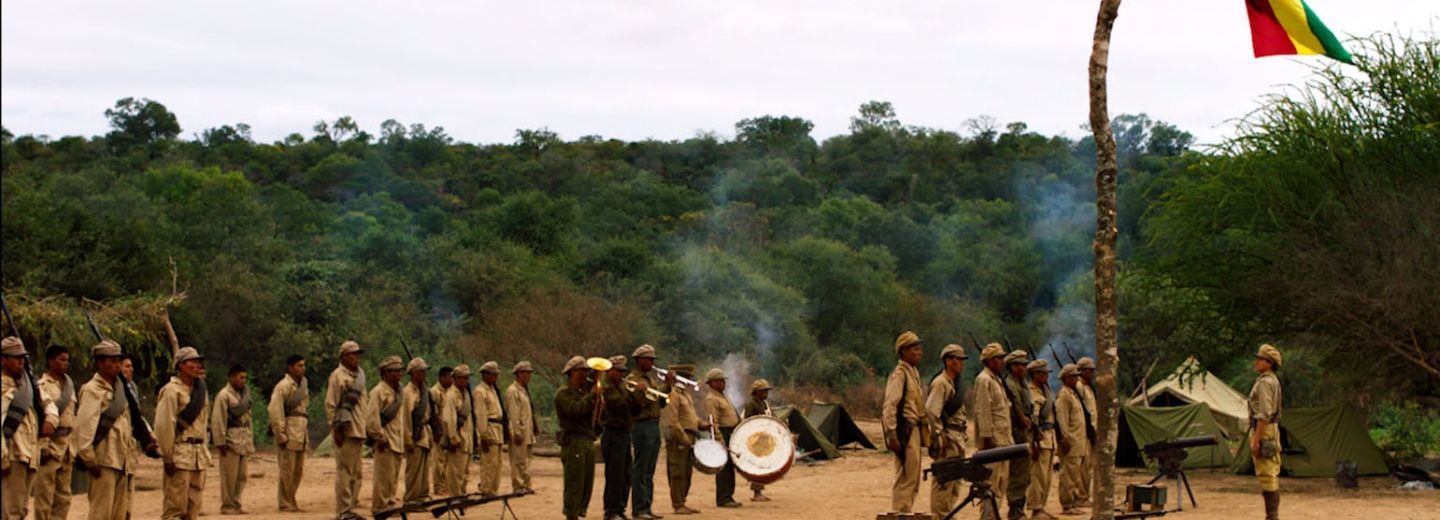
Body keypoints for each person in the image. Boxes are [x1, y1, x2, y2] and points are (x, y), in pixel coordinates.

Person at [74, 340, 138, 520]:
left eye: (118, 360)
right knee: (101, 513)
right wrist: (89, 459)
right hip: (103, 459)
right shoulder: (93, 390)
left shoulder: (120, 389)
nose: (116, 365)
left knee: (120, 513)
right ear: (99, 363)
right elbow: (84, 426)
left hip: (121, 457)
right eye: (111, 361)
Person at [156, 346, 211, 520]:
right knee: (175, 507)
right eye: (193, 362)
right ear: (181, 366)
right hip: (180, 453)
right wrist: (168, 456)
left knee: (194, 507)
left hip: (198, 455)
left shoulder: (200, 391)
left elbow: (204, 424)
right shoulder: (171, 391)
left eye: (198, 362)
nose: (197, 366)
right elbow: (164, 426)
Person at [882, 331, 927, 514]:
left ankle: (905, 512)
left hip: (914, 430)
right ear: (904, 351)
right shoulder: (900, 374)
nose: (920, 352)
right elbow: (890, 406)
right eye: (915, 349)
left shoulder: (913, 373)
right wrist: (891, 434)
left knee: (913, 477)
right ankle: (900, 513)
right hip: (905, 431)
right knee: (905, 478)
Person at [324, 340, 369, 518]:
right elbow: (330, 404)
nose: (356, 357)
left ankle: (350, 508)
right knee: (344, 472)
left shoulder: (359, 376)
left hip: (358, 428)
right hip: (346, 429)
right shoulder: (337, 376)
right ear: (343, 357)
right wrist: (336, 429)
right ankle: (342, 511)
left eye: (358, 354)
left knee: (355, 473)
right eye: (352, 354)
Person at [925, 343, 968, 518]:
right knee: (944, 481)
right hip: (948, 437)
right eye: (958, 359)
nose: (961, 363)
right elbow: (931, 410)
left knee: (955, 481)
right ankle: (940, 516)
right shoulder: (940, 383)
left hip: (958, 437)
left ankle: (948, 514)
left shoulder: (955, 383)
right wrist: (938, 434)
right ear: (948, 361)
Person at [34, 344, 77, 520]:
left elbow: (73, 419)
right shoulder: (40, 386)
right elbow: (38, 420)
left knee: (64, 498)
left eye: (67, 360)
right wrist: (43, 446)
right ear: (51, 361)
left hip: (66, 448)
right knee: (44, 499)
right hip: (49, 446)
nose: (65, 363)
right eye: (61, 359)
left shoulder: (69, 386)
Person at [555, 356, 600, 520]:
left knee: (586, 484)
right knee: (574, 484)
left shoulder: (583, 392)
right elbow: (575, 411)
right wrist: (591, 396)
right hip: (574, 442)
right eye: (583, 372)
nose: (586, 375)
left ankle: (578, 512)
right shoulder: (563, 394)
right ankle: (571, 515)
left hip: (586, 440)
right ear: (573, 373)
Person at [973, 343, 1013, 520]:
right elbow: (983, 410)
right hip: (993, 441)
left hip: (1004, 440)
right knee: (990, 484)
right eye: (997, 358)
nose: (1001, 362)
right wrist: (987, 437)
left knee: (1002, 483)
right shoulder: (984, 380)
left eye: (1002, 358)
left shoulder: (997, 380)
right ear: (989, 361)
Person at [1, 336, 40, 520]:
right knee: (10, 513)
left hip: (27, 455)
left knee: (21, 511)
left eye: (22, 358)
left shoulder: (26, 386)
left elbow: (48, 407)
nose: (20, 361)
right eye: (15, 357)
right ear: (3, 360)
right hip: (10, 457)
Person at [602, 356, 644, 520]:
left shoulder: (622, 387)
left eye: (622, 371)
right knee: (614, 474)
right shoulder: (607, 387)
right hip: (613, 433)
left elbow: (633, 411)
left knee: (626, 474)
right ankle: (611, 511)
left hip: (625, 433)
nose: (621, 374)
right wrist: (633, 391)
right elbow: (618, 405)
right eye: (618, 371)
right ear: (610, 371)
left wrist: (639, 396)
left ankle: (620, 508)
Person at [626, 344, 666, 520]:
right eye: (648, 359)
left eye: (652, 360)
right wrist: (640, 392)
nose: (651, 363)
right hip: (641, 426)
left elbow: (660, 402)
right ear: (639, 360)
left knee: (649, 469)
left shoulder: (650, 380)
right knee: (641, 468)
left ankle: (647, 506)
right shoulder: (633, 380)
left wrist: (668, 386)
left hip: (653, 425)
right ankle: (639, 508)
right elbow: (635, 405)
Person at [210, 363, 255, 515]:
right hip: (230, 440)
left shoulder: (244, 396)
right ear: (232, 377)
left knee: (241, 476)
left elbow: (249, 420)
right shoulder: (223, 395)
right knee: (229, 476)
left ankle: (237, 502)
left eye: (245, 378)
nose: (243, 381)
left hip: (243, 439)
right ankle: (227, 505)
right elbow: (218, 419)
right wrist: (220, 441)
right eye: (241, 377)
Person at [267, 354, 308, 512]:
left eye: (303, 365)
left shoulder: (303, 385)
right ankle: (284, 502)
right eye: (299, 366)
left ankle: (291, 498)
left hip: (301, 432)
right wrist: (280, 434)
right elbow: (275, 410)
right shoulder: (283, 386)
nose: (302, 369)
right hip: (289, 431)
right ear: (290, 367)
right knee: (287, 470)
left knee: (298, 470)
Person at [660, 364, 701, 515]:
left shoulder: (686, 395)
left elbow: (691, 417)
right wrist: (684, 439)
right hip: (679, 439)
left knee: (686, 472)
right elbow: (673, 421)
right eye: (688, 378)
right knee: (677, 471)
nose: (690, 382)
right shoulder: (674, 394)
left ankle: (682, 501)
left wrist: (702, 424)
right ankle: (678, 504)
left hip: (689, 436)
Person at [1249, 344, 1284, 520]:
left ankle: (1272, 516)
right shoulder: (1273, 381)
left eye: (1260, 359)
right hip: (1271, 429)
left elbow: (1264, 413)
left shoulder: (1265, 383)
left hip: (1264, 429)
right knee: (1270, 473)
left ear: (1269, 363)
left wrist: (1256, 439)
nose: (1256, 362)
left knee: (1267, 474)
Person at [368, 355, 406, 512]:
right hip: (385, 441)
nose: (397, 374)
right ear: (385, 373)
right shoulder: (378, 392)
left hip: (397, 440)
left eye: (399, 371)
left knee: (392, 477)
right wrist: (380, 437)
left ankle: (389, 503)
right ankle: (380, 507)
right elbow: (372, 419)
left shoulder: (398, 392)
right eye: (393, 371)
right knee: (383, 478)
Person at [703, 367, 743, 509]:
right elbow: (714, 422)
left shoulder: (722, 396)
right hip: (723, 433)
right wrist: (720, 441)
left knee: (730, 467)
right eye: (720, 381)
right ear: (711, 383)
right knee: (724, 468)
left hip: (731, 432)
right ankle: (723, 498)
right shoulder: (711, 399)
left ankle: (729, 495)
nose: (723, 384)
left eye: (723, 381)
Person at [1002, 350, 1034, 520]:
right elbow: (1014, 409)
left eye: (1024, 365)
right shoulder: (1010, 384)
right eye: (1020, 365)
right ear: (1013, 367)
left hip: (1025, 432)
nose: (1024, 368)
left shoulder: (1022, 383)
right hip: (1016, 432)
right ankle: (1015, 509)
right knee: (1018, 474)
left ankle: (1019, 508)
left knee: (1025, 474)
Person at [1026, 359, 1058, 520]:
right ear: (1035, 374)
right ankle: (1035, 508)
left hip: (1049, 438)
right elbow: (1033, 421)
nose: (1046, 376)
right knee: (1037, 477)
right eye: (1043, 373)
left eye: (1047, 373)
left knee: (1046, 477)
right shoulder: (1031, 392)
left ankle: (1042, 506)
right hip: (1039, 439)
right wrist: (1034, 443)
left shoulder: (1047, 391)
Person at [1055, 364, 1089, 516]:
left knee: (1075, 475)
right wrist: (1064, 439)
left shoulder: (1073, 394)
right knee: (1068, 476)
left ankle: (1073, 501)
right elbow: (1062, 420)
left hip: (1078, 442)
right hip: (1070, 443)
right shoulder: (1064, 396)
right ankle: (1067, 504)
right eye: (1073, 376)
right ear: (1066, 378)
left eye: (1077, 376)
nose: (1076, 379)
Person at [402, 357, 434, 503]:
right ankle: (411, 498)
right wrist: (408, 438)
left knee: (424, 468)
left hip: (425, 433)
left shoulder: (424, 391)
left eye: (424, 371)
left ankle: (422, 495)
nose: (424, 374)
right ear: (413, 373)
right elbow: (406, 418)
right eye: (421, 371)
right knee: (414, 469)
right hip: (415, 434)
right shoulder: (408, 392)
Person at [473, 361, 506, 497]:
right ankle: (486, 489)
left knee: (497, 463)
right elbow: (480, 415)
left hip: (498, 428)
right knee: (488, 463)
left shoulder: (493, 390)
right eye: (492, 374)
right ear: (485, 375)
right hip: (489, 428)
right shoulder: (480, 392)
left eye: (496, 375)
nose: (495, 377)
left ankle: (493, 490)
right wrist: (483, 435)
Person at [442, 364, 474, 495]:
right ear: (455, 378)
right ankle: (455, 496)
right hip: (458, 439)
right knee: (455, 472)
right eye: (463, 378)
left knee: (464, 472)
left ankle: (462, 494)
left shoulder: (466, 394)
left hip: (467, 439)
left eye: (467, 378)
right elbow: (448, 420)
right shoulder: (451, 395)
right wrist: (453, 438)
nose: (466, 380)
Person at [506, 361, 537, 494]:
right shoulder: (513, 391)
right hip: (519, 432)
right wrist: (517, 432)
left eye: (529, 373)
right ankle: (518, 486)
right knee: (518, 461)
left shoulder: (524, 390)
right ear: (519, 374)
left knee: (526, 461)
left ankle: (526, 485)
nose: (528, 376)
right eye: (526, 373)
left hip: (528, 431)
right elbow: (513, 414)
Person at [740, 378, 773, 503]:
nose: (766, 393)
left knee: (763, 466)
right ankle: (756, 492)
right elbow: (749, 422)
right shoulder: (751, 405)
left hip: (765, 439)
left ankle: (759, 490)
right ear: (756, 392)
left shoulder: (764, 404)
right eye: (763, 391)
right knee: (757, 466)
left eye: (766, 391)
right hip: (756, 440)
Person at [1075, 357, 1097, 508]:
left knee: (1088, 467)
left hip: (1091, 431)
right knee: (1082, 469)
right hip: (1083, 433)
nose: (1091, 373)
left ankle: (1084, 496)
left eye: (1092, 370)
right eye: (1088, 370)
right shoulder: (1079, 386)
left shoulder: (1088, 387)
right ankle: (1080, 497)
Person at [430, 366, 454, 497]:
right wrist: (436, 431)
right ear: (442, 377)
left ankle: (447, 485)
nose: (452, 380)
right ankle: (439, 486)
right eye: (449, 377)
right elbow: (434, 414)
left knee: (448, 461)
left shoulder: (451, 392)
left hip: (449, 430)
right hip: (439, 431)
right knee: (438, 461)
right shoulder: (435, 392)